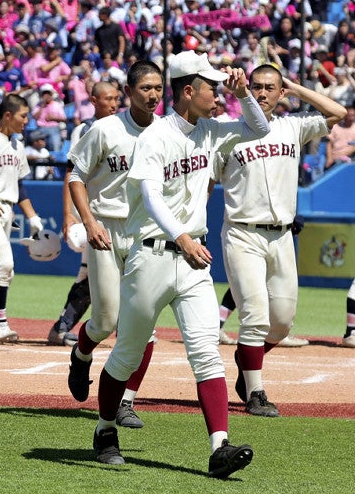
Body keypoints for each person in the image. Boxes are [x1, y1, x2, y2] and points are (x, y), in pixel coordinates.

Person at [91, 51, 269, 478]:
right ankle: (104, 429)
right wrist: (182, 236)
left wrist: (245, 95)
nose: (220, 92)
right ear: (188, 91)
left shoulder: (209, 129)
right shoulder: (155, 136)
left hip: (194, 261)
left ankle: (219, 448)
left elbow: (259, 128)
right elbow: (150, 196)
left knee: (206, 353)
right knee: (127, 355)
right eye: (213, 86)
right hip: (152, 255)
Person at [213, 65, 345, 417]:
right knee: (254, 315)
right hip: (243, 232)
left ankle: (246, 358)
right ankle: (255, 391)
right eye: (256, 86)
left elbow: (339, 113)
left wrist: (295, 87)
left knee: (283, 322)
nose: (262, 93)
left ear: (280, 91)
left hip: (282, 235)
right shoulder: (228, 132)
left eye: (271, 87)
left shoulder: (292, 126)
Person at [65, 63, 163, 429]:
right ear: (129, 90)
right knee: (105, 320)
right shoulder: (105, 129)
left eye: (158, 87)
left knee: (145, 324)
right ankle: (81, 352)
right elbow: (76, 176)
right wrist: (87, 221)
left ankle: (126, 401)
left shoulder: (167, 132)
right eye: (145, 88)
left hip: (145, 233)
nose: (152, 95)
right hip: (105, 228)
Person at [49, 81, 120, 346]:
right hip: (94, 213)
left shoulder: (125, 125)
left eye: (116, 98)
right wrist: (69, 214)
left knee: (90, 274)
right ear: (93, 100)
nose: (113, 103)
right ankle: (123, 328)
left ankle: (61, 327)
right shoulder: (86, 129)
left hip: (116, 212)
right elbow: (72, 172)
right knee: (99, 273)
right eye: (107, 98)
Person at [0, 92, 45, 342]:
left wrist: (33, 217)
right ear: (8, 115)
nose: (27, 121)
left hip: (7, 208)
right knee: (4, 265)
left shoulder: (18, 145)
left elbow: (20, 186)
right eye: (23, 116)